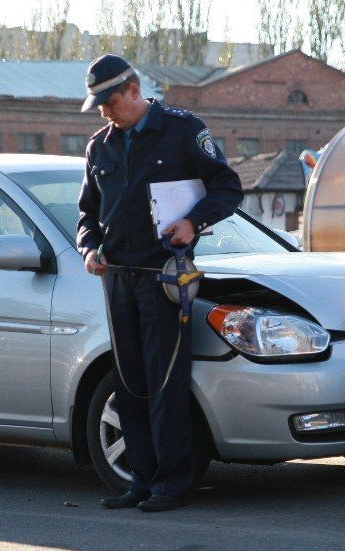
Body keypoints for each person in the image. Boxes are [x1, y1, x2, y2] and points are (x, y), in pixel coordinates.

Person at [76, 54, 243, 512]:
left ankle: (173, 481)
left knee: (164, 380)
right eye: (99, 106)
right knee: (128, 379)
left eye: (110, 102)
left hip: (165, 277)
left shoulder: (182, 130)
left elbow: (228, 187)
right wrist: (90, 248)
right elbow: (88, 215)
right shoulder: (100, 147)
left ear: (133, 90)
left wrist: (193, 222)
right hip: (118, 280)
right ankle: (141, 480)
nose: (105, 112)